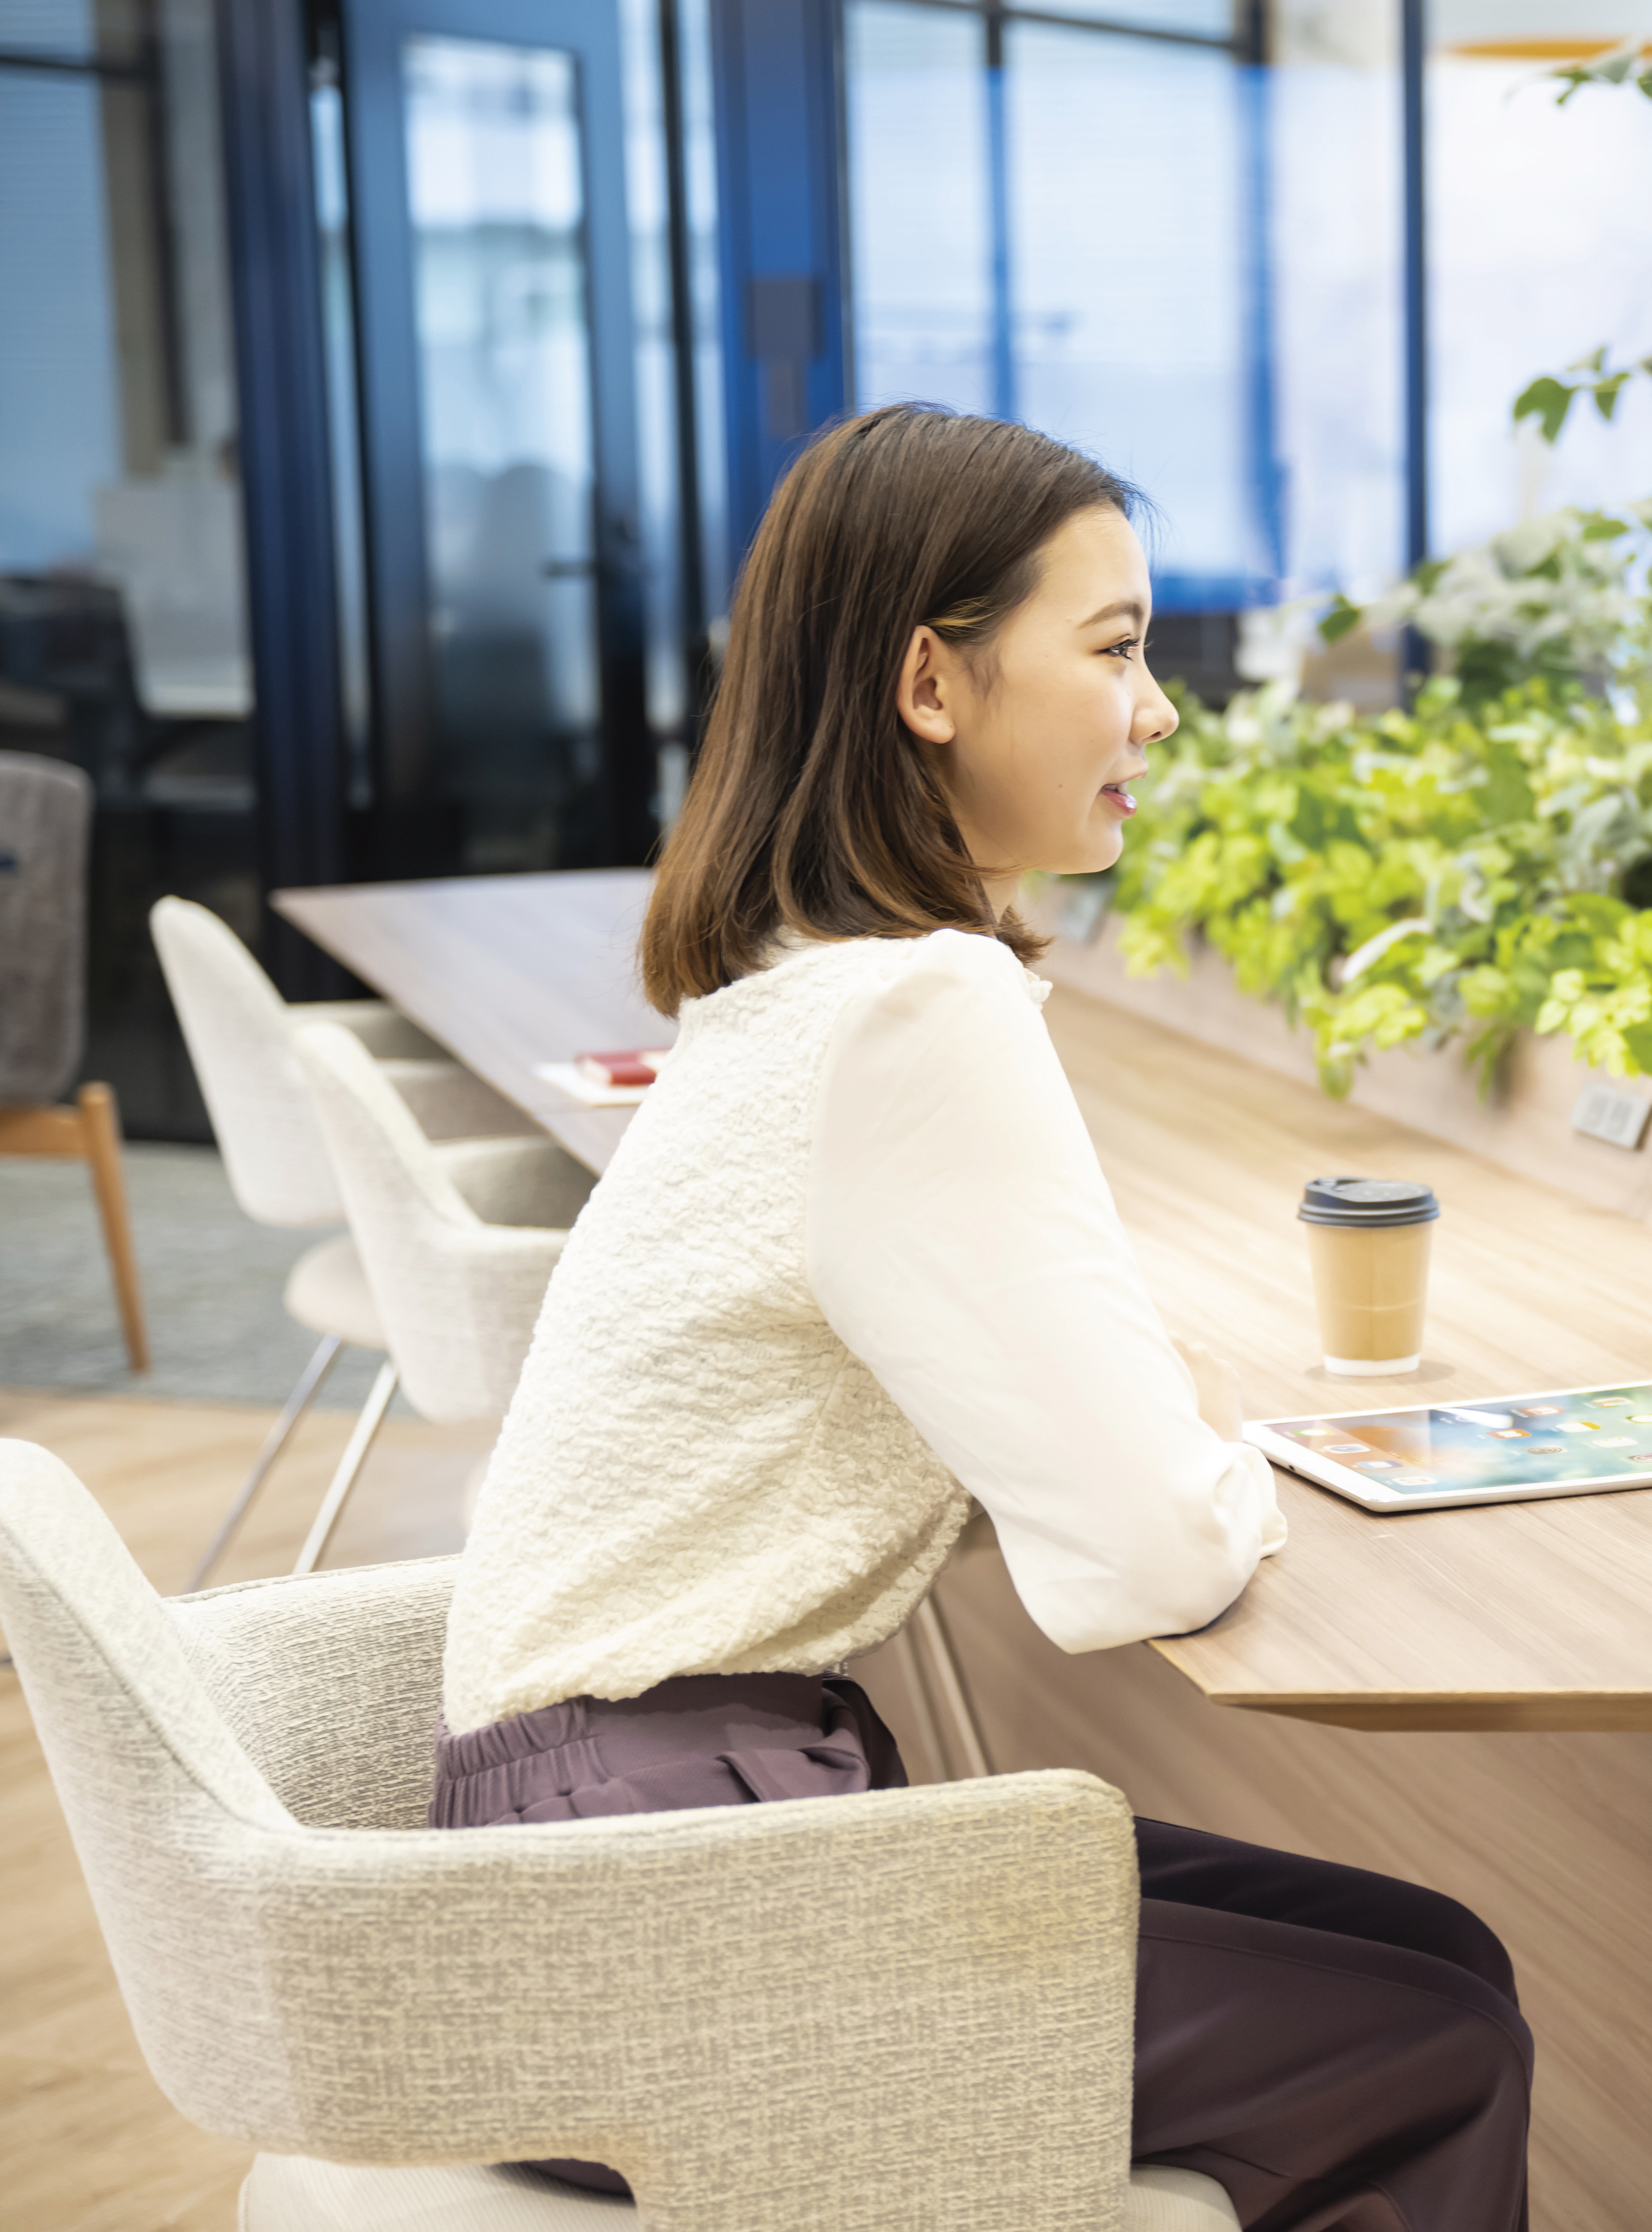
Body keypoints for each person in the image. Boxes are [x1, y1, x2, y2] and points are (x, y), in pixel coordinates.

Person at [433, 403, 1531, 2232]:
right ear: (931, 683)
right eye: (1114, 649)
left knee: (1426, 1947)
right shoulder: (917, 1010)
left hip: (591, 1854)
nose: (1159, 708)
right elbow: (1138, 1560)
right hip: (658, 1901)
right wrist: (1229, 1457)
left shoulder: (807, 983)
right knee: (1430, 2036)